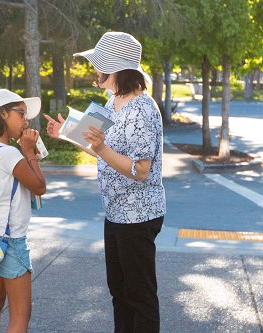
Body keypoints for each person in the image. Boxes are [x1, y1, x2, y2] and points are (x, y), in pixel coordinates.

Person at [44, 32, 166, 333]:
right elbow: (100, 147)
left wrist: (100, 148)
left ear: (115, 67)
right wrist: (67, 133)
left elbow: (141, 170)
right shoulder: (114, 101)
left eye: (99, 64)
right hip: (116, 212)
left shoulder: (141, 110)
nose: (94, 69)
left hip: (139, 214)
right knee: (120, 291)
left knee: (139, 295)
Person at [0, 89, 46, 333]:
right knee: (20, 313)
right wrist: (29, 152)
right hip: (12, 241)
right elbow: (39, 186)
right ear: (2, 114)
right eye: (21, 114)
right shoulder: (9, 153)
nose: (26, 121)